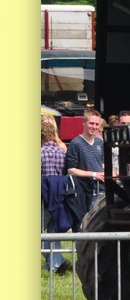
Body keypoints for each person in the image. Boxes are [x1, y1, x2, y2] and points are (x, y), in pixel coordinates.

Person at [41, 115, 70, 274]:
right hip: (59, 197)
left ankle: (57, 262)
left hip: (43, 198)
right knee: (54, 233)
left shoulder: (40, 152)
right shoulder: (62, 151)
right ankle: (55, 264)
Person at [64, 108, 105, 211]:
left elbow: (101, 163)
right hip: (85, 190)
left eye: (97, 124)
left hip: (101, 188)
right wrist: (94, 174)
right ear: (83, 123)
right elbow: (71, 170)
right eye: (91, 123)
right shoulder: (75, 143)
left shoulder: (99, 142)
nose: (94, 127)